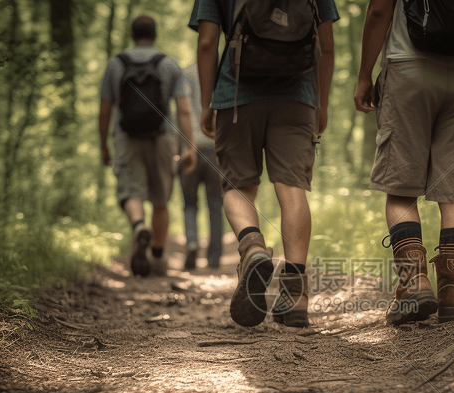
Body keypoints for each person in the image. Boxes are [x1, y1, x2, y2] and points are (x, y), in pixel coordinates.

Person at [354, 0, 454, 325]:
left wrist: (364, 75)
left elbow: (380, 10)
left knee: (400, 189)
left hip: (408, 71)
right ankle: (453, 292)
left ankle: (414, 284)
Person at [190, 0, 339, 327]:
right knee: (293, 188)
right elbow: (326, 47)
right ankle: (296, 298)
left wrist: (206, 103)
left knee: (238, 186)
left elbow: (206, 42)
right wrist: (321, 104)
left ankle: (253, 245)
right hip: (297, 97)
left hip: (236, 94)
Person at [99, 15, 197, 277]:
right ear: (155, 35)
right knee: (161, 198)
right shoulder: (169, 64)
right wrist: (189, 146)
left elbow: (105, 108)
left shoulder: (115, 64)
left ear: (132, 34)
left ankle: (139, 226)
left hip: (126, 137)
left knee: (131, 190)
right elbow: (184, 111)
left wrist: (103, 145)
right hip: (163, 138)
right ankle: (156, 256)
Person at [180, 63, 224, 271]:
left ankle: (192, 243)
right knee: (215, 204)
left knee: (190, 204)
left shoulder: (185, 73)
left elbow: (181, 110)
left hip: (190, 147)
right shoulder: (224, 71)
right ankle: (214, 257)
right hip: (216, 148)